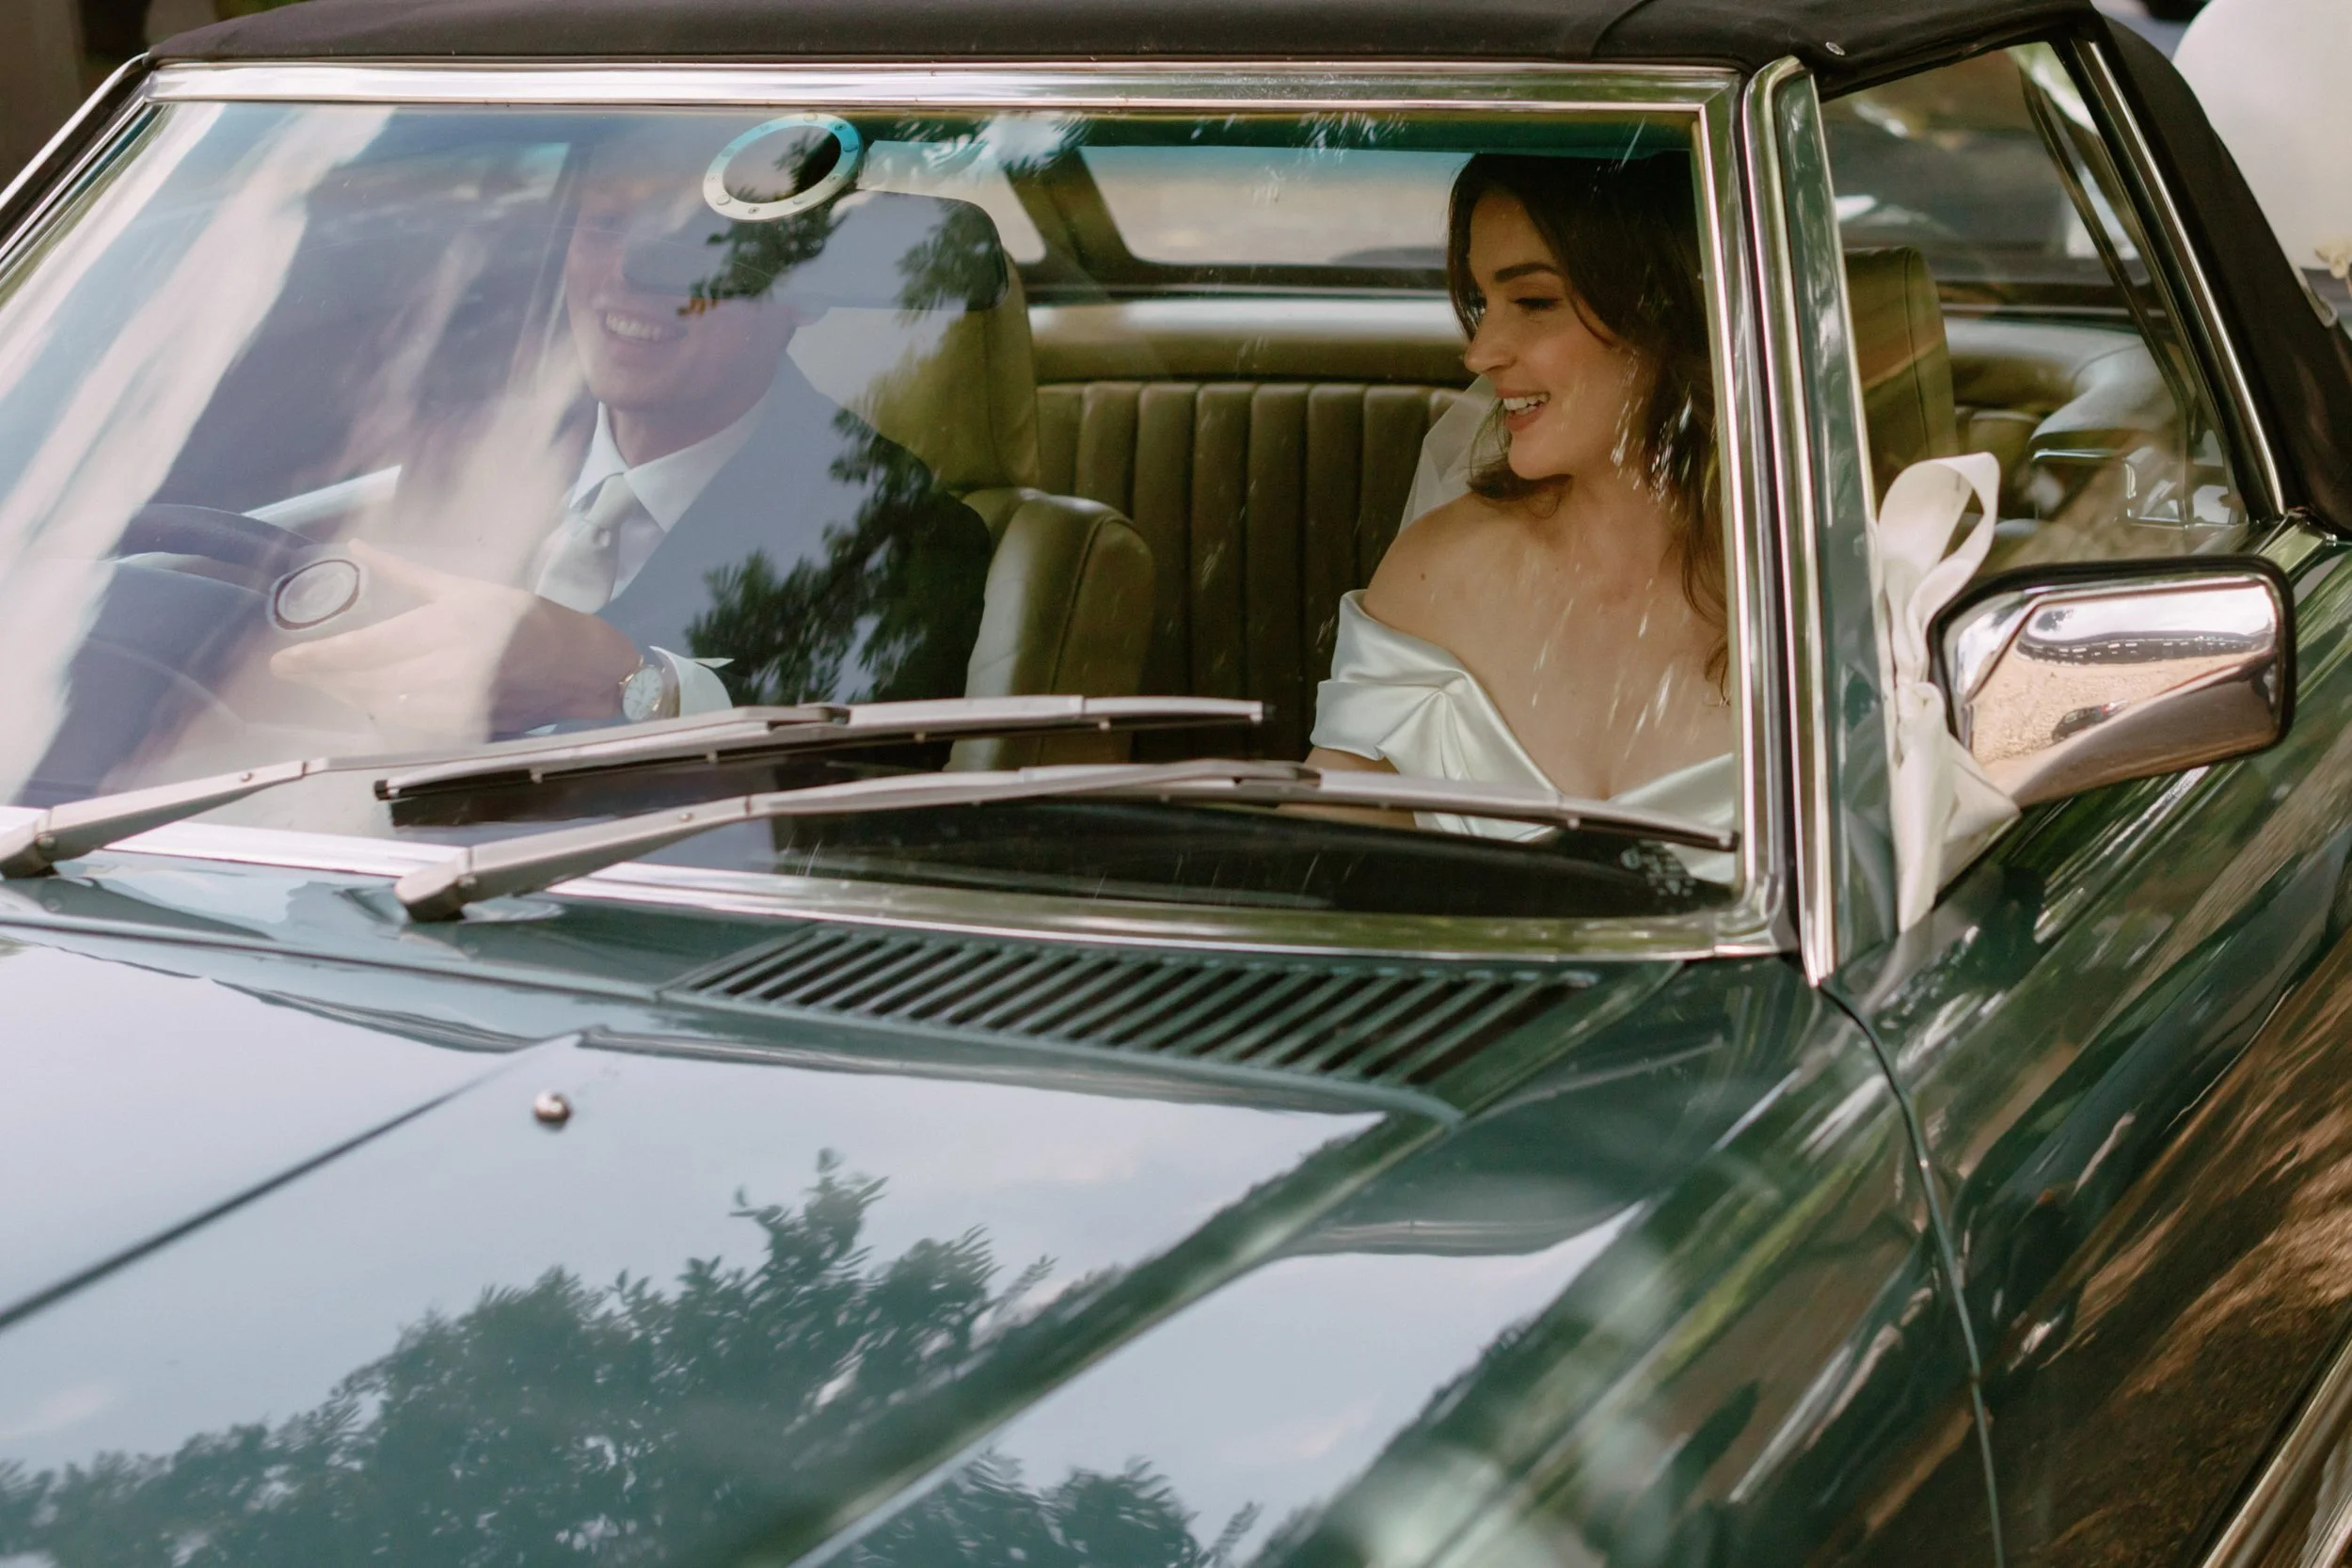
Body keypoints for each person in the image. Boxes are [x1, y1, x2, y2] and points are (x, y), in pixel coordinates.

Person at [267, 120, 995, 741]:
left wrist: (627, 685)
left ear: (802, 288)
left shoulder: (906, 540)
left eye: (698, 241)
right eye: (606, 223)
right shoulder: (470, 450)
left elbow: (842, 814)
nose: (628, 274)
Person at [1306, 150, 1735, 849]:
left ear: (1665, 311)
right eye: (1483, 304)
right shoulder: (1434, 577)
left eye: (1533, 302)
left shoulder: (1808, 589)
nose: (1480, 353)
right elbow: (1318, 876)